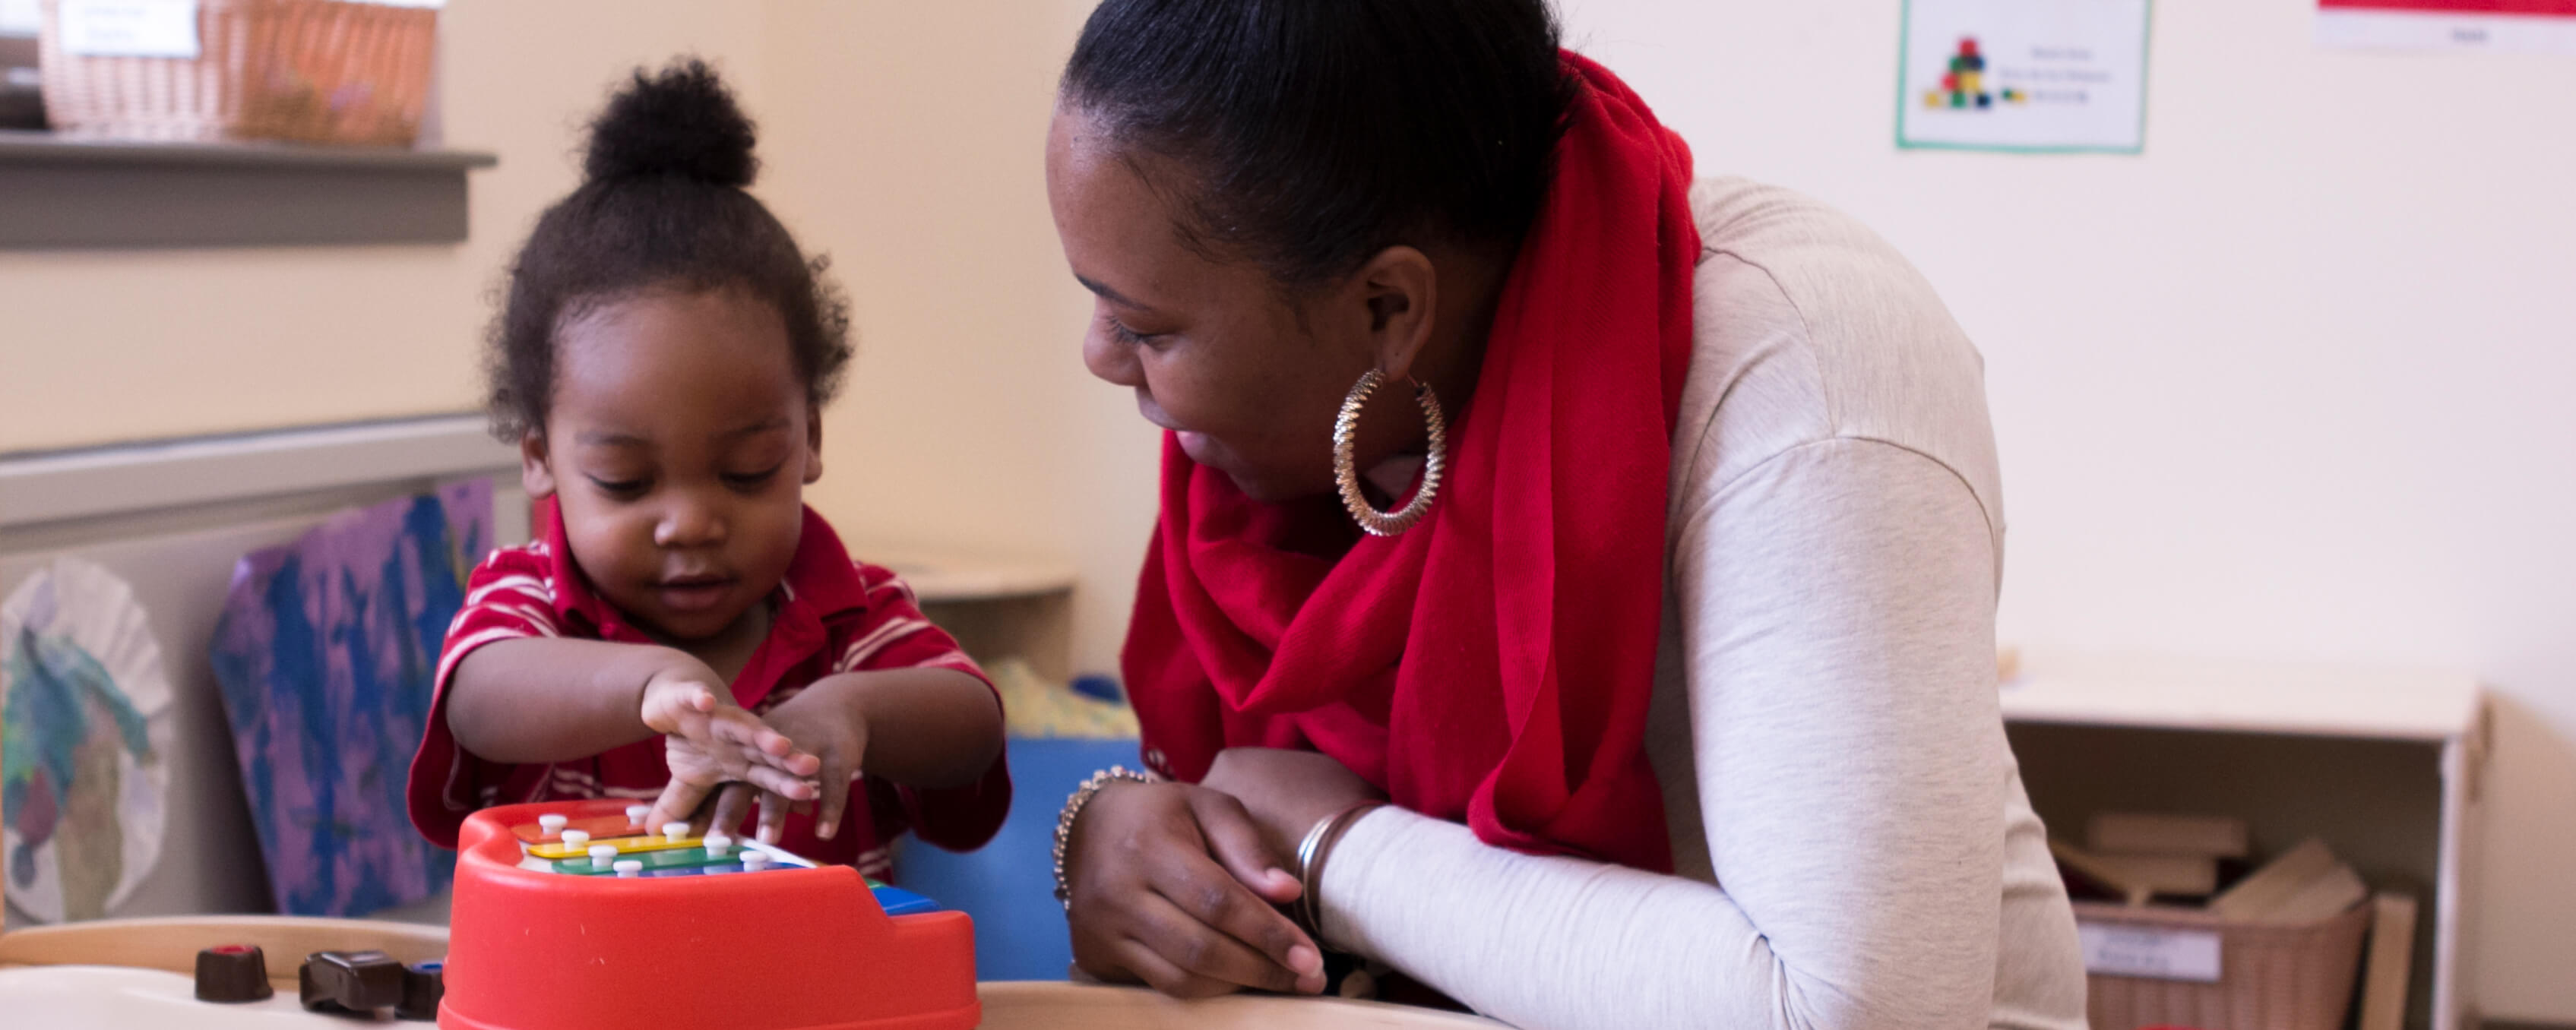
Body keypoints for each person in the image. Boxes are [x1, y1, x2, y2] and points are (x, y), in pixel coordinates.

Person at [1041, 2, 2088, 1027]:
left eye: (1142, 326)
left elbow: (1856, 1013)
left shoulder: (1804, 369)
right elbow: (1242, 793)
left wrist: (1335, 852)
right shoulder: (1293, 456)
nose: (1097, 359)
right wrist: (1125, 842)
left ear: (1386, 312)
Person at [404, 61, 1008, 875]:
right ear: (540, 458)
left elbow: (971, 722)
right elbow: (479, 700)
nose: (690, 521)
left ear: (809, 441)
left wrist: (850, 710)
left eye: (749, 469)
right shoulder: (532, 604)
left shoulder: (850, 618)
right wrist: (654, 682)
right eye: (625, 480)